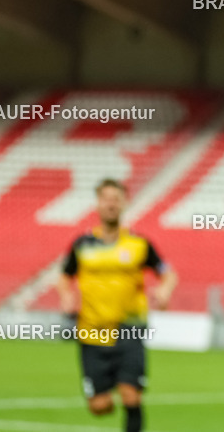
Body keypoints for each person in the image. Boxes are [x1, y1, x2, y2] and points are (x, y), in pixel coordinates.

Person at [57, 179, 177, 432]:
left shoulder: (139, 244)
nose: (111, 204)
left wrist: (164, 290)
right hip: (91, 330)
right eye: (106, 199)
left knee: (131, 395)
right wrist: (66, 295)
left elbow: (167, 273)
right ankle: (105, 388)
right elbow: (65, 276)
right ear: (98, 204)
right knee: (99, 406)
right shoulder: (82, 244)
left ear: (124, 203)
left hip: (129, 328)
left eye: (116, 199)